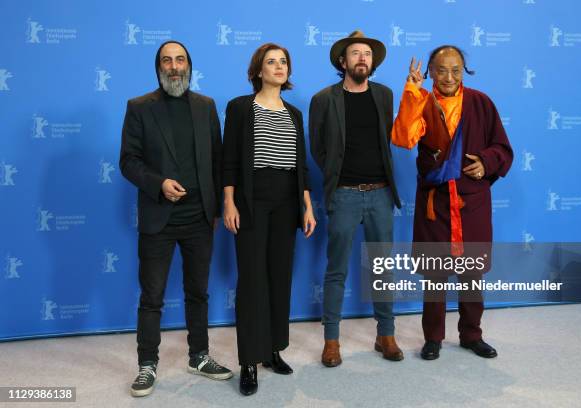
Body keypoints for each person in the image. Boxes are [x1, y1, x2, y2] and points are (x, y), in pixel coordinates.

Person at [120, 40, 232, 397]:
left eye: (180, 59)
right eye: (167, 60)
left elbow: (217, 160)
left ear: (189, 66)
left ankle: (199, 356)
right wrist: (159, 184)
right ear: (158, 68)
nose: (174, 66)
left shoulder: (206, 106)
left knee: (197, 293)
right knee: (152, 296)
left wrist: (215, 210)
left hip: (199, 218)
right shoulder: (139, 107)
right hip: (158, 218)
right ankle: (147, 365)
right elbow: (128, 161)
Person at [391, 45, 513, 360]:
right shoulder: (421, 101)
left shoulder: (480, 103)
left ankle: (472, 335)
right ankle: (433, 338)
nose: (449, 77)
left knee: (472, 274)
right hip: (436, 202)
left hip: (471, 201)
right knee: (435, 275)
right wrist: (411, 91)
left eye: (455, 69)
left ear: (464, 71)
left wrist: (486, 162)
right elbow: (403, 138)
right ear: (430, 72)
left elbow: (502, 147)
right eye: (442, 70)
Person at [222, 43, 316, 396]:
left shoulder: (294, 114)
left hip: (287, 201)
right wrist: (229, 202)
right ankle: (248, 360)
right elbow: (229, 159)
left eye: (283, 62)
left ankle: (273, 350)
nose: (278, 67)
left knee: (279, 276)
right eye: (271, 62)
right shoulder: (240, 108)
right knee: (252, 280)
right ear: (258, 71)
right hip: (251, 199)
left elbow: (301, 164)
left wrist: (307, 206)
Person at [309, 30, 404, 368]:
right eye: (355, 53)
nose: (362, 58)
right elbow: (318, 149)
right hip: (344, 196)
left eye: (367, 54)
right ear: (342, 61)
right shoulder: (323, 99)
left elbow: (395, 135)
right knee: (336, 271)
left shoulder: (385, 95)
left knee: (382, 268)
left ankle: (386, 335)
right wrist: (338, 178)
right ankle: (331, 341)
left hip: (380, 194)